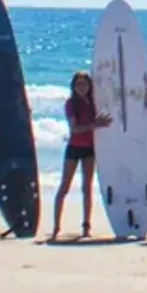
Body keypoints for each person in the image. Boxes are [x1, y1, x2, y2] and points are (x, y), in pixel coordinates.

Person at [53, 70, 102, 239]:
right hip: (74, 147)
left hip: (90, 148)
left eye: (85, 84)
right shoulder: (71, 103)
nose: (82, 87)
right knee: (65, 186)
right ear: (73, 86)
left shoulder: (94, 102)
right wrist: (94, 125)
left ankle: (86, 226)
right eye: (79, 84)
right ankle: (56, 227)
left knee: (87, 188)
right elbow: (75, 129)